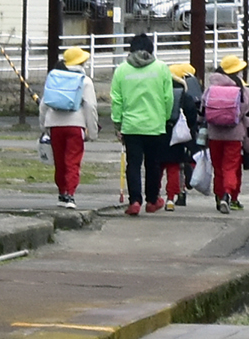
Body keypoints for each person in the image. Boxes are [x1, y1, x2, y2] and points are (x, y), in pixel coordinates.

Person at [109, 32, 174, 215]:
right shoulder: (161, 68)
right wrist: (165, 117)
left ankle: (135, 201)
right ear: (151, 49)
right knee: (153, 164)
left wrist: (117, 123)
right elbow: (168, 98)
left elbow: (116, 100)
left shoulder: (121, 70)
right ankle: (153, 200)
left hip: (131, 126)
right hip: (155, 124)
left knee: (134, 164)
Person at [39, 46, 98, 208]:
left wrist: (44, 126)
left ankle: (61, 193)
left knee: (59, 161)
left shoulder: (53, 77)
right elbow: (90, 107)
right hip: (75, 124)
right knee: (72, 161)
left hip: (54, 124)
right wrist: (92, 132)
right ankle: (70, 195)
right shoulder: (84, 81)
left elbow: (44, 104)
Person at [204, 55, 249, 213]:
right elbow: (247, 113)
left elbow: (202, 109)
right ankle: (228, 194)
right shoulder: (241, 89)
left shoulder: (211, 88)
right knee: (230, 167)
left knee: (218, 168)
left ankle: (219, 198)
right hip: (234, 135)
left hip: (214, 135)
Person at [162, 63, 204, 211]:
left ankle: (153, 197)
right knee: (174, 168)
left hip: (158, 132)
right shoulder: (184, 95)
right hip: (178, 135)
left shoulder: (159, 92)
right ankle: (171, 199)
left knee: (157, 167)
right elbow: (192, 115)